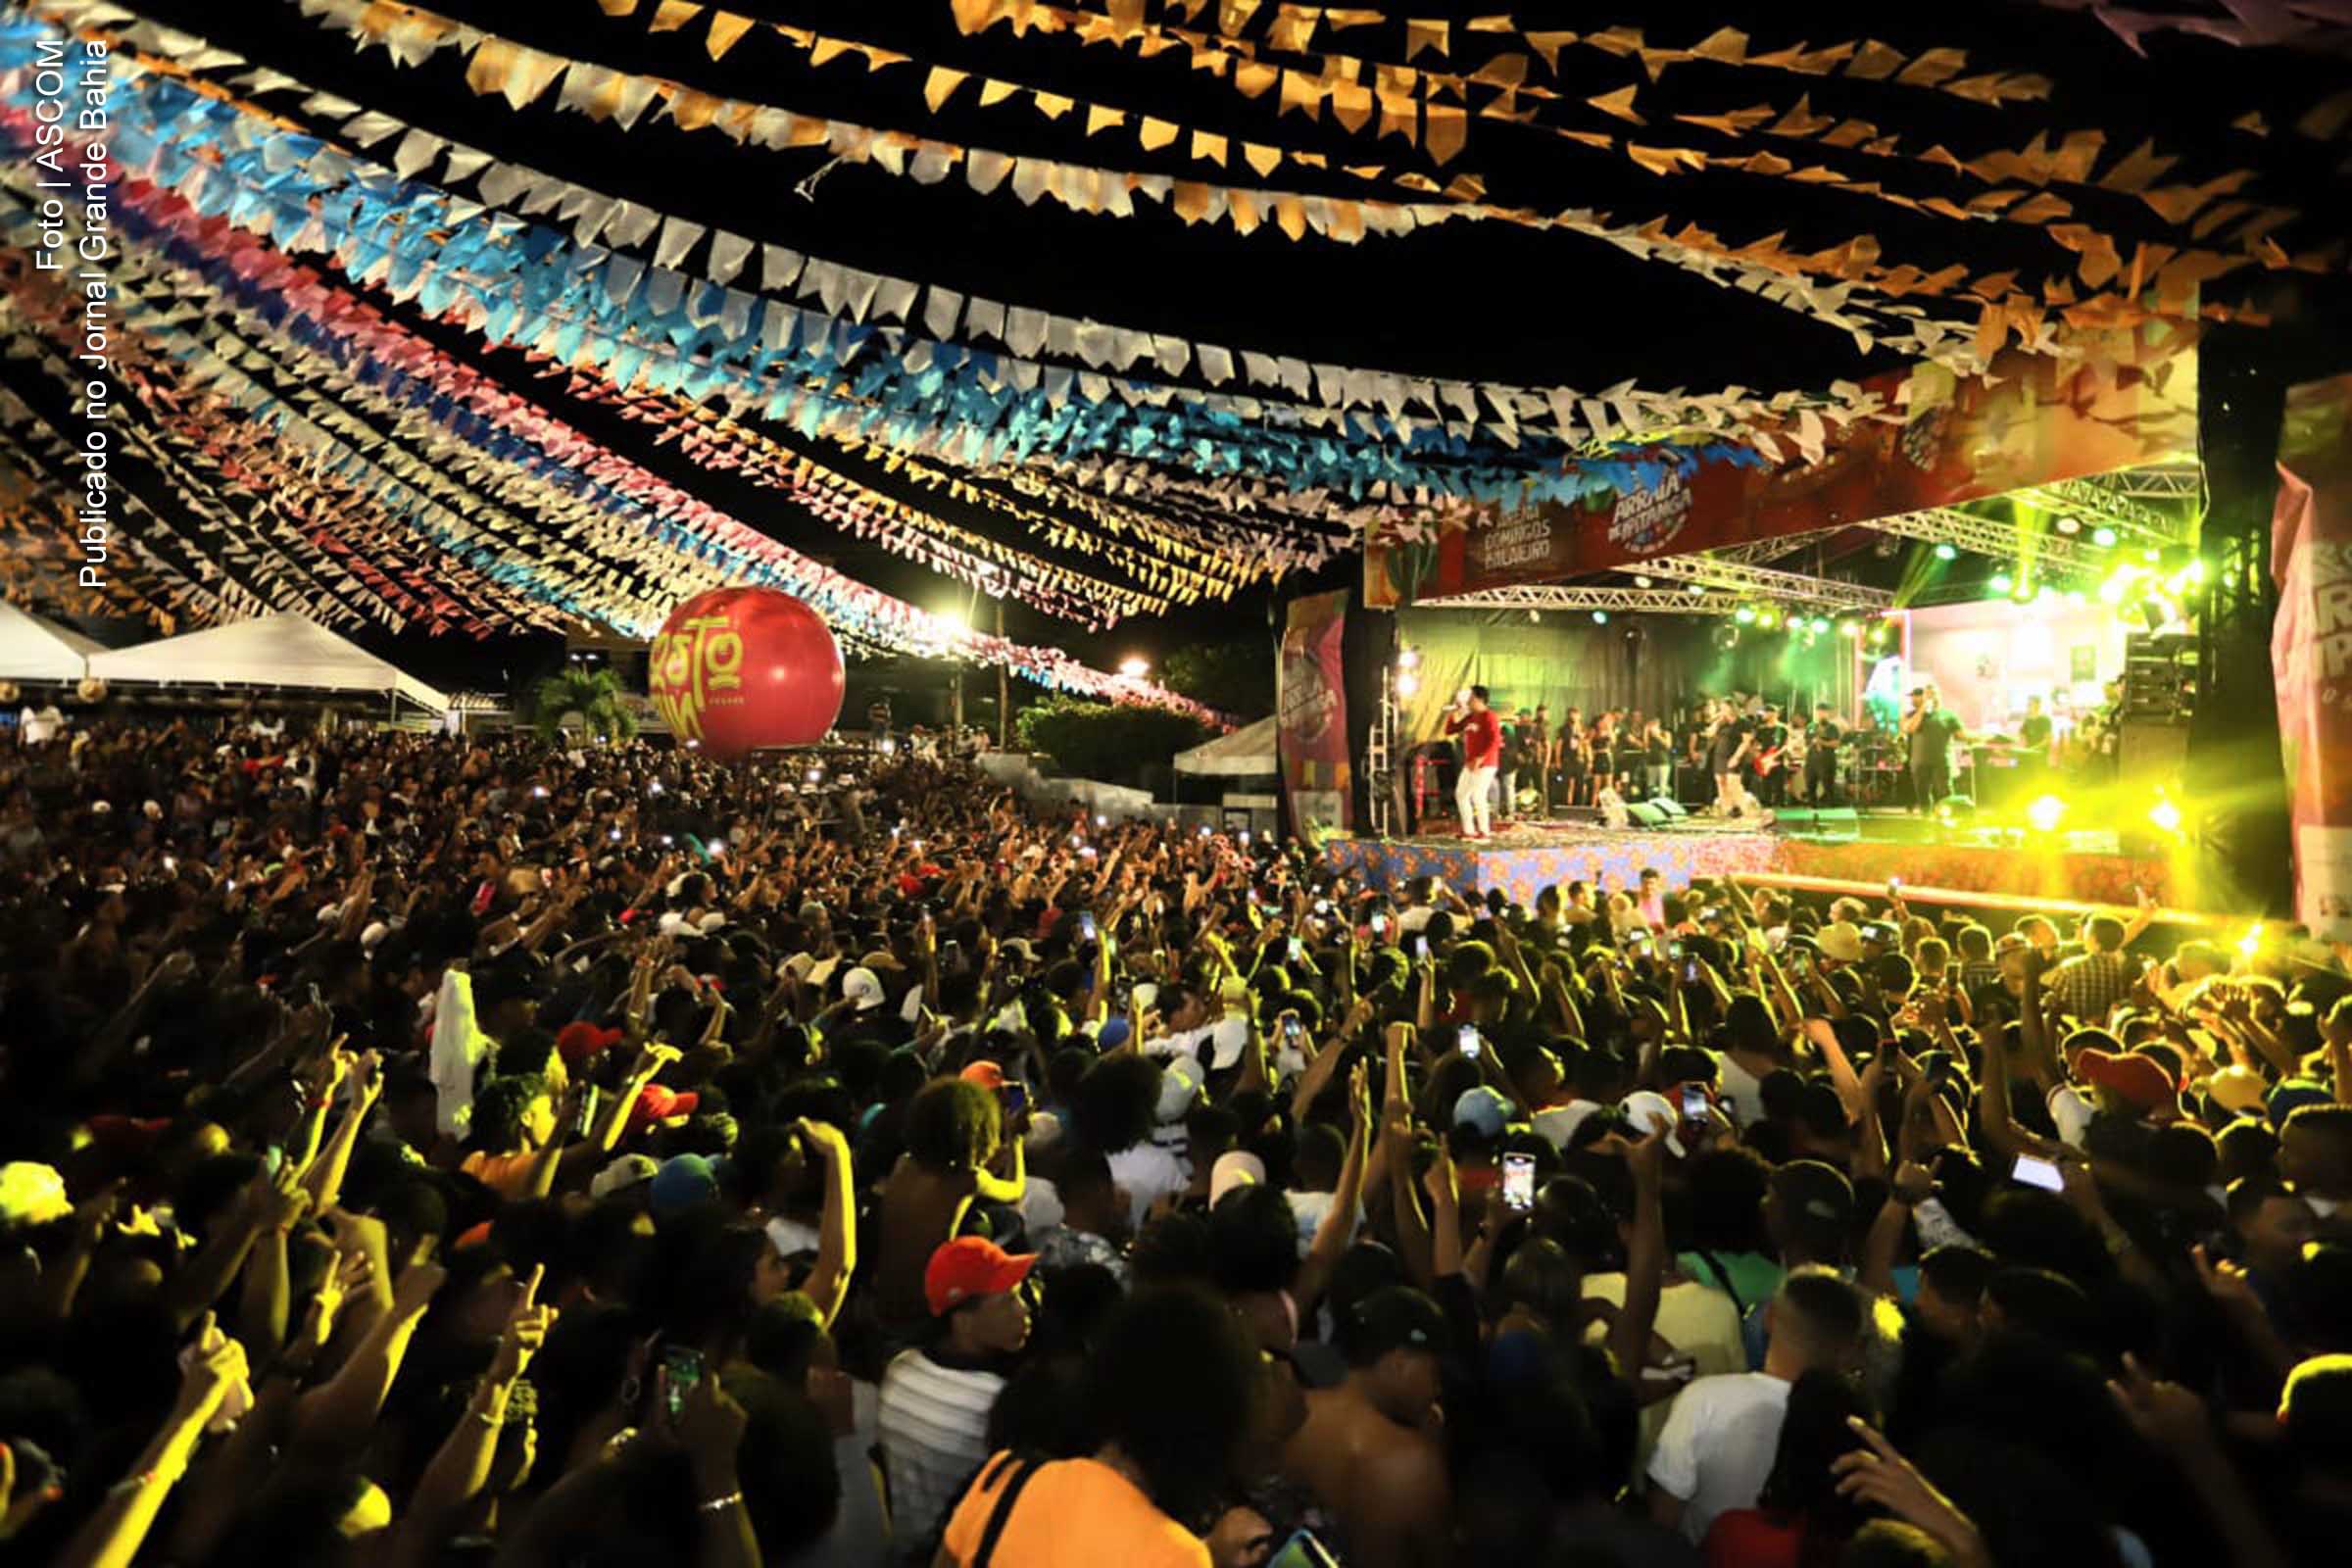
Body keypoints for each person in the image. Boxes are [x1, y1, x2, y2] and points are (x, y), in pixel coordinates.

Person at [1648, 1268, 1871, 1544]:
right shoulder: (1859, 1427)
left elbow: (1662, 1522)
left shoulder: (1703, 1400)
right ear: (1850, 1347)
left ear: (1769, 1319)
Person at [878, 1236, 1038, 1556]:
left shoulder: (900, 1369)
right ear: (962, 1322)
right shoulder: (995, 1402)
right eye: (1007, 1301)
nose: (1023, 1310)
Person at [1281, 1285, 1454, 1568]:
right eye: (1434, 1371)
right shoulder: (1413, 1462)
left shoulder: (1292, 1417)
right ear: (1400, 1363)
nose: (1437, 1388)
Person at [1443, 686, 1502, 841]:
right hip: (1471, 763)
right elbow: (1450, 730)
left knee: (1478, 795)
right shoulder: (1470, 717)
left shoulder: (1489, 716)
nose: (1467, 700)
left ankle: (1484, 831)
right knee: (1461, 794)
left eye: (1471, 697)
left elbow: (1495, 741)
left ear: (1479, 699)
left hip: (1486, 763)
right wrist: (1453, 712)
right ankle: (1469, 831)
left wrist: (1481, 758)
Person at [1899, 686, 1962, 816]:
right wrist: (1922, 709)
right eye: (1927, 694)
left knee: (1945, 794)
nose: (1930, 697)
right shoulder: (1911, 715)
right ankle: (1926, 820)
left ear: (1939, 695)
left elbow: (1961, 734)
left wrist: (1985, 738)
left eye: (1932, 694)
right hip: (1919, 763)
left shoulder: (1948, 715)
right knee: (1923, 796)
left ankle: (1948, 822)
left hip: (1941, 762)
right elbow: (1910, 728)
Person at [1804, 703, 1844, 808]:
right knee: (1810, 782)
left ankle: (1830, 805)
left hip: (1827, 759)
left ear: (1828, 714)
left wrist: (1822, 742)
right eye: (1819, 712)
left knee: (1828, 784)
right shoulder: (1811, 726)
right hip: (1812, 758)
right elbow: (1806, 742)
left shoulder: (1832, 727)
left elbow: (1836, 743)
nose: (1821, 714)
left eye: (1824, 712)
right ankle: (1812, 804)